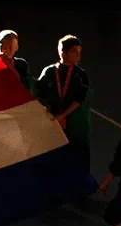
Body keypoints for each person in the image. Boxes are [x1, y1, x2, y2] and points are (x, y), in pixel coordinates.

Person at [35, 35, 91, 173]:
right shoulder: (49, 72)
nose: (78, 55)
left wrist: (64, 115)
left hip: (74, 125)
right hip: (52, 122)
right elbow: (38, 93)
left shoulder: (80, 75)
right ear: (63, 53)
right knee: (52, 158)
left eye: (80, 51)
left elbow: (80, 98)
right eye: (74, 51)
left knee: (76, 157)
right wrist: (48, 110)